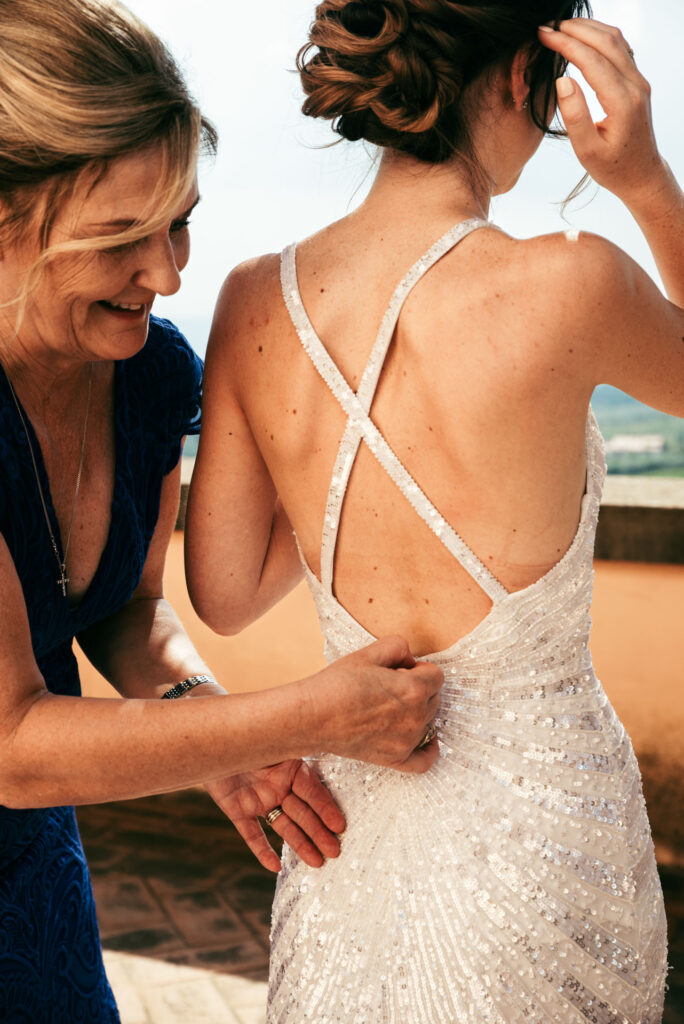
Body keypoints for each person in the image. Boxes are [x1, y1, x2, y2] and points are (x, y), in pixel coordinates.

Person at [186, 1, 684, 1020]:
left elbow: (224, 593)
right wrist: (643, 177)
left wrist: (332, 469)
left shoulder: (248, 302)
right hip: (548, 841)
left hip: (349, 833)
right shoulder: (571, 281)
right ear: (515, 79)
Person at [0, 1, 445, 1020]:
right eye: (122, 237)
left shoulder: (150, 373)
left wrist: (206, 722)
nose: (168, 273)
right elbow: (14, 746)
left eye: (181, 220)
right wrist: (305, 715)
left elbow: (119, 606)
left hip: (29, 873)